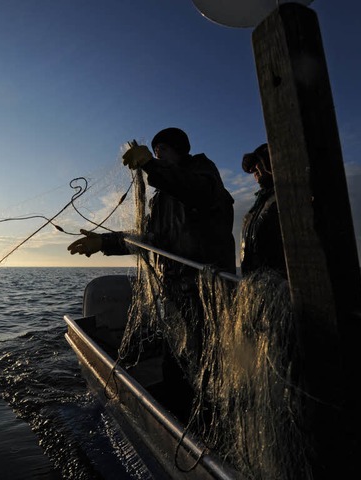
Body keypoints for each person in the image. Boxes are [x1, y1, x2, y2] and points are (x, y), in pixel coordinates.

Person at [68, 127, 236, 421]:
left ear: (175, 150)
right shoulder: (161, 200)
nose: (156, 156)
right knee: (176, 368)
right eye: (153, 153)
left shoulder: (203, 175)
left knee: (209, 368)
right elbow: (151, 241)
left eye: (160, 152)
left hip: (208, 295)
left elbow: (195, 191)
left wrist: (150, 165)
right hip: (175, 295)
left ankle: (212, 427)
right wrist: (104, 242)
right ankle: (178, 423)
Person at [239, 143, 286, 275]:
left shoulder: (288, 195)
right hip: (259, 283)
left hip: (282, 283)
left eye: (258, 163)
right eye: (252, 169)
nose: (253, 171)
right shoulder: (260, 204)